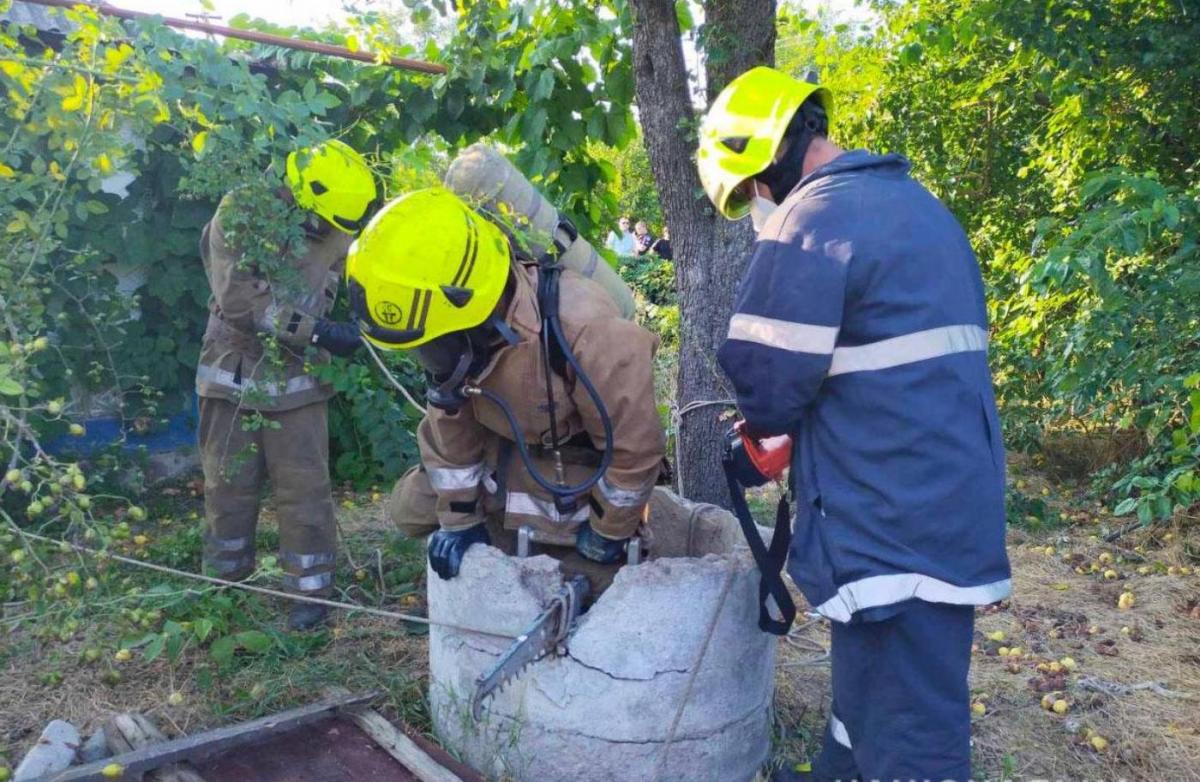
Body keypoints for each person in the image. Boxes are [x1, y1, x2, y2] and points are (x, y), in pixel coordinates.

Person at [697, 66, 1012, 781]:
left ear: (769, 158)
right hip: (934, 505)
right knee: (866, 707)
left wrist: (758, 442)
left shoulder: (814, 221)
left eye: (749, 191)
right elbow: (875, 366)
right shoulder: (915, 206)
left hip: (892, 523)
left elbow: (767, 378)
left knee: (911, 745)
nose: (755, 207)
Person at [347, 189, 665, 583]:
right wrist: (460, 521)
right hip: (502, 444)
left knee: (584, 553)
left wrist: (608, 531)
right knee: (410, 508)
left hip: (575, 457)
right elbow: (451, 432)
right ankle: (502, 512)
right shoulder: (453, 342)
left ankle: (553, 523)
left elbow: (633, 451)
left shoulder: (586, 330)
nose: (428, 360)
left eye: (428, 346)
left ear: (475, 316)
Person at [196, 139, 376, 630]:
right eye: (324, 222)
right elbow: (237, 301)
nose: (329, 233)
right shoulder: (241, 212)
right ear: (298, 197)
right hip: (233, 369)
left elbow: (334, 272)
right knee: (228, 486)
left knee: (306, 489)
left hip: (299, 380)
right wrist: (315, 330)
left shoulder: (335, 222)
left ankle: (311, 596)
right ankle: (225, 590)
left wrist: (330, 312)